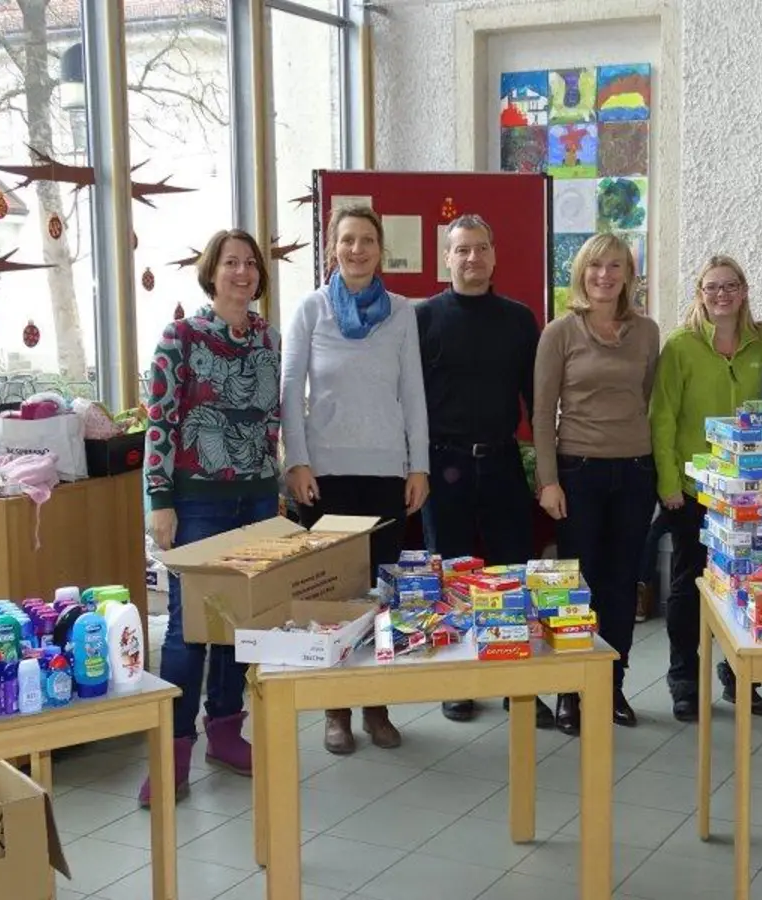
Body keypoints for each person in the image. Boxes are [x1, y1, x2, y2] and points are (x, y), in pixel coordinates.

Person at [281, 205, 431, 755]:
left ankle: (377, 705)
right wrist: (297, 462)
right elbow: (290, 389)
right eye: (348, 240)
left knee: (379, 596)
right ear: (332, 248)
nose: (357, 250)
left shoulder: (400, 312)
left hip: (385, 472)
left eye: (367, 240)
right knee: (334, 598)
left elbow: (412, 391)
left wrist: (419, 466)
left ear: (379, 248)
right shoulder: (311, 310)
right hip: (326, 477)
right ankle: (335, 711)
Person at [139, 228, 281, 807]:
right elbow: (160, 420)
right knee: (186, 629)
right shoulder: (181, 336)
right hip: (196, 500)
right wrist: (159, 499)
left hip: (258, 499)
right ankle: (172, 751)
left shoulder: (268, 338)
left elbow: (270, 419)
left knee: (238, 623)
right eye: (231, 263)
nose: (242, 272)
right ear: (212, 272)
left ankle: (226, 731)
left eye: (250, 264)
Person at [416, 214, 551, 728]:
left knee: (509, 575)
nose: (472, 259)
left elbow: (535, 402)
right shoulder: (424, 318)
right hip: (441, 462)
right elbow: (409, 401)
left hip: (500, 461)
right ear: (447, 259)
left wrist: (543, 468)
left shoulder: (519, 320)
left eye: (481, 249)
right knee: (451, 575)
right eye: (462, 250)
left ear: (494, 256)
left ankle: (516, 683)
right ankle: (458, 684)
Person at [534, 232, 660, 734]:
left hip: (634, 471)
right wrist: (548, 481)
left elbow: (645, 398)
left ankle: (611, 684)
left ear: (628, 275)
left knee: (621, 581)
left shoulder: (647, 333)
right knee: (576, 586)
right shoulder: (560, 332)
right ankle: (570, 689)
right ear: (581, 274)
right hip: (576, 471)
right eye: (595, 266)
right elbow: (543, 414)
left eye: (615, 266)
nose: (604, 275)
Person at [650, 255, 762, 723]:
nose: (720, 295)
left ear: (743, 291)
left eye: (729, 286)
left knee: (748, 586)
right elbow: (661, 418)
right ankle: (685, 679)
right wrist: (668, 483)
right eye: (711, 287)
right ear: (699, 294)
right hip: (693, 490)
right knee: (688, 586)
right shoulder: (681, 346)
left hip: (752, 491)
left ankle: (741, 676)